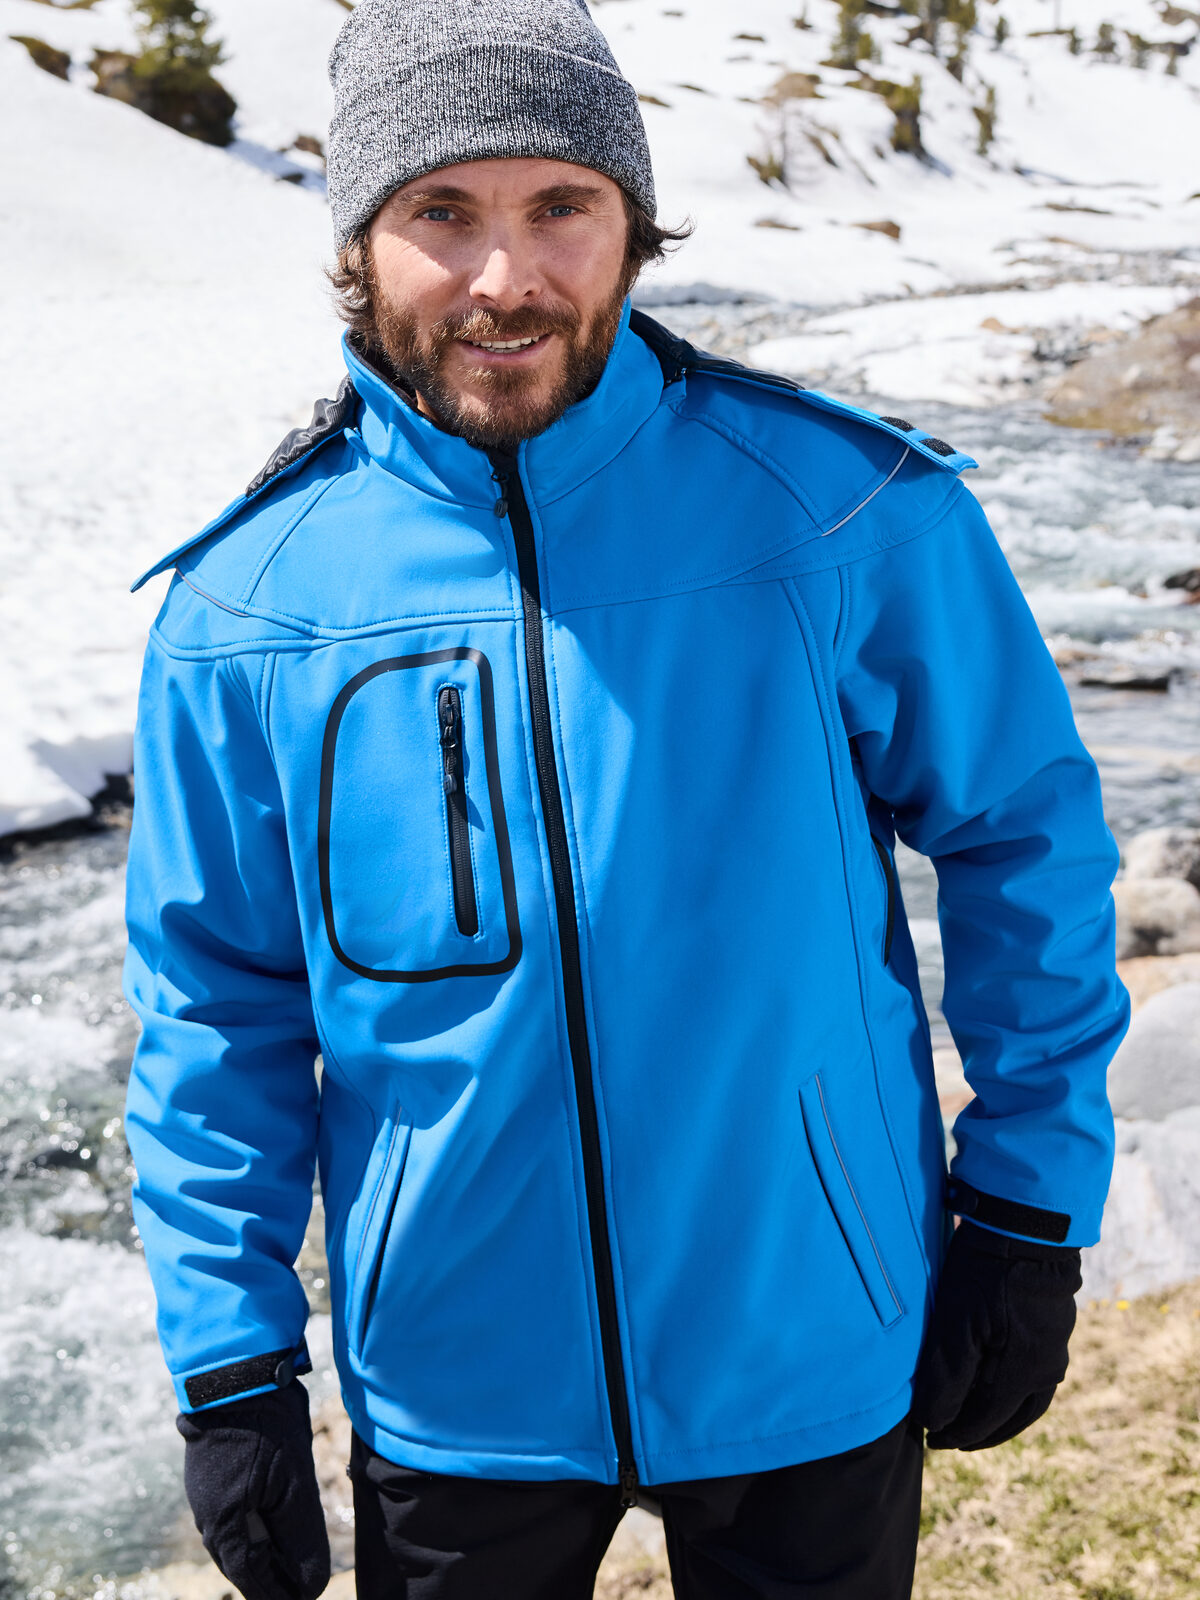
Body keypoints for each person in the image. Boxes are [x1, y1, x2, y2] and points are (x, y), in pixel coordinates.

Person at [121, 1, 1130, 1596]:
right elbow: (213, 1006)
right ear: (360, 245)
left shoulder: (841, 510)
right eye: (441, 212)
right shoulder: (248, 609)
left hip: (810, 1326)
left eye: (560, 206)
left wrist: (1027, 1201)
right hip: (455, 1381)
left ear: (634, 226)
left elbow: (1027, 842)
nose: (505, 277)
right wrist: (231, 1359)